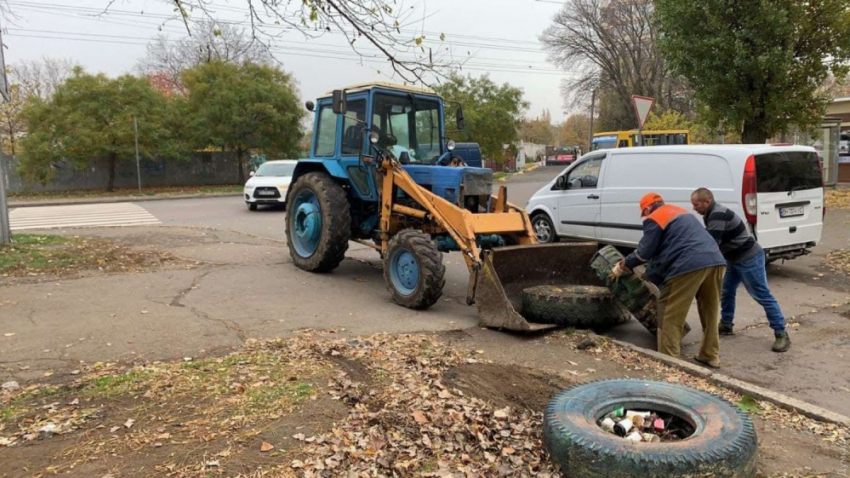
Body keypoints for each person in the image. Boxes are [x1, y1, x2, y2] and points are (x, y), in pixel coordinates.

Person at [616, 193, 727, 367]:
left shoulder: (654, 217)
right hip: (716, 261)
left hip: (689, 264)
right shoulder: (680, 212)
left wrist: (624, 264)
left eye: (644, 213)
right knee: (710, 311)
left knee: (669, 312)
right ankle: (710, 355)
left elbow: (645, 252)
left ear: (646, 208)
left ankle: (669, 363)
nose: (645, 216)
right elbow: (669, 248)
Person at [690, 188, 790, 352]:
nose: (694, 208)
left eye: (696, 204)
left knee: (762, 295)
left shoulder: (717, 215)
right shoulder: (711, 214)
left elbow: (711, 245)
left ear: (707, 202)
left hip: (749, 258)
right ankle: (726, 324)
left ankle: (781, 334)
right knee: (727, 291)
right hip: (733, 259)